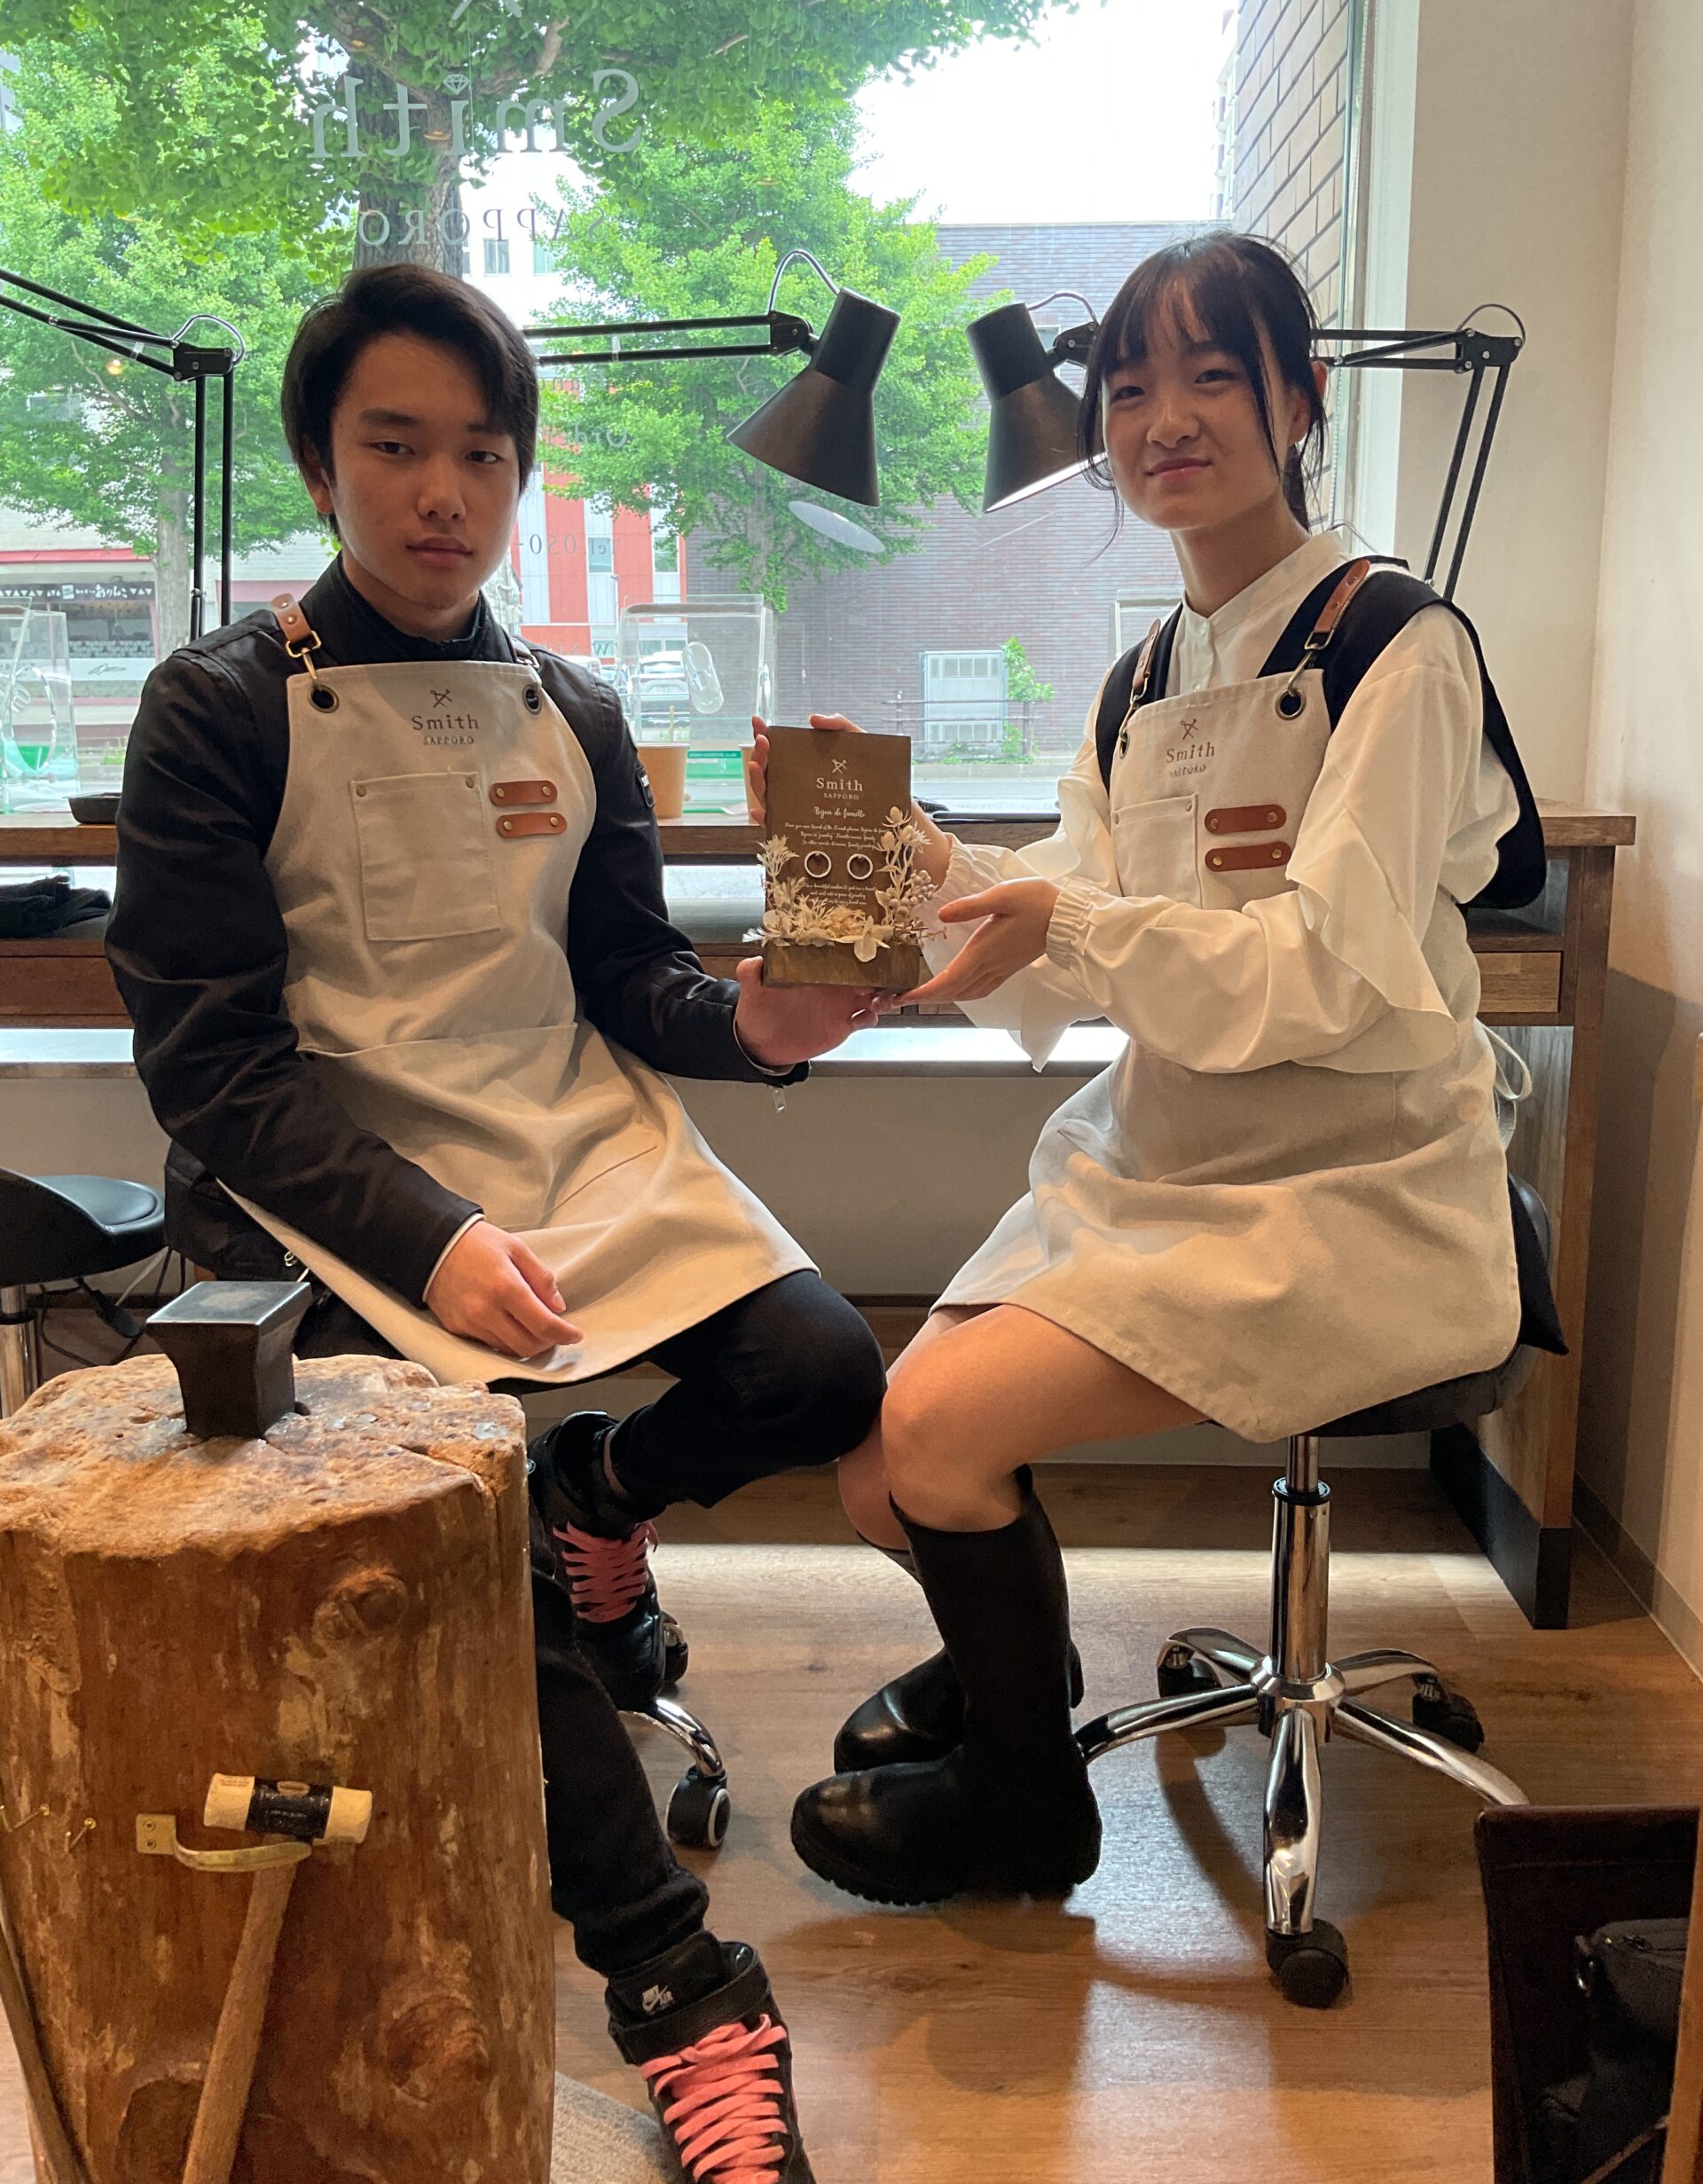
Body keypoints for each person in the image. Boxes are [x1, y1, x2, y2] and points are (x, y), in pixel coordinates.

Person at [107, 262, 885, 2181]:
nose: (442, 491)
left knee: (821, 1363)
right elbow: (214, 1068)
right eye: (395, 446)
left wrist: (757, 1029)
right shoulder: (217, 708)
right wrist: (432, 1238)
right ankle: (683, 1987)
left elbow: (626, 976)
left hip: (566, 1134)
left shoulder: (575, 708)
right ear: (319, 463)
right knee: (457, 1538)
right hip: (325, 1189)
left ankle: (593, 1497)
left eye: (481, 453)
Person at [773, 228, 1558, 1908]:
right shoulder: (1143, 677)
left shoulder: (1395, 644)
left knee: (937, 1434)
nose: (1164, 420)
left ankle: (1023, 1807)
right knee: (879, 1465)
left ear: (1301, 397)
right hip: (1163, 1157)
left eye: (1213, 374)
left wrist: (1068, 916)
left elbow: (1325, 973)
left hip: (1353, 1182)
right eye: (1130, 388)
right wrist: (912, 856)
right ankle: (1021, 1684)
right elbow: (1070, 927)